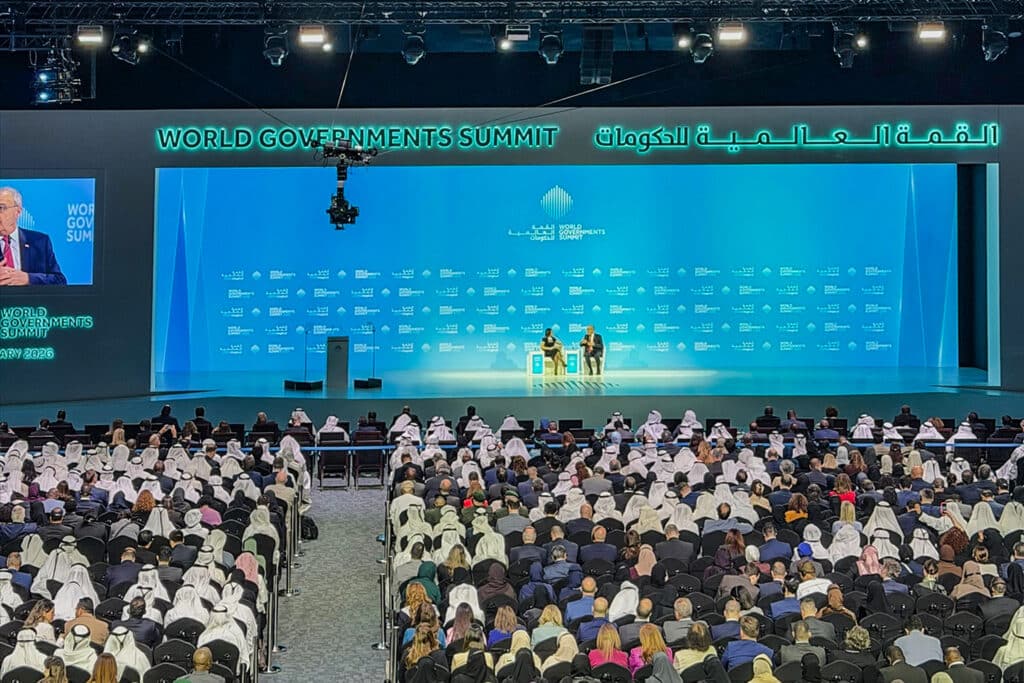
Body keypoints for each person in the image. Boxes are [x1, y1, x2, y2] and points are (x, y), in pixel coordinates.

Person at [0, 186, 67, 286]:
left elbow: (60, 281)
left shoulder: (40, 242)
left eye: (1, 208)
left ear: (17, 212)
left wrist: (28, 279)